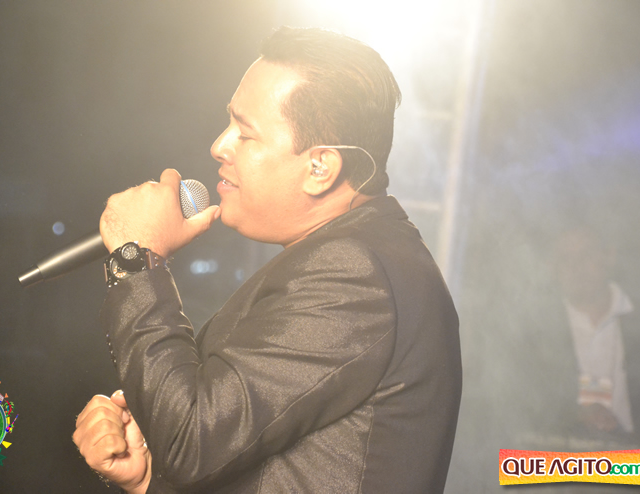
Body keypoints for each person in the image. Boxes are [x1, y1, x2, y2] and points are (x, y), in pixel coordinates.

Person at [73, 27, 461, 493]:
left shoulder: (355, 273)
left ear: (319, 167)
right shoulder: (353, 256)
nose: (220, 145)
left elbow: (190, 440)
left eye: (245, 133)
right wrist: (149, 480)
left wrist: (137, 261)